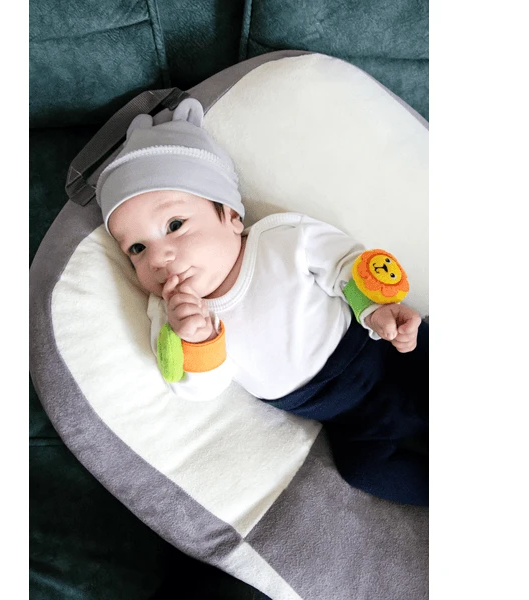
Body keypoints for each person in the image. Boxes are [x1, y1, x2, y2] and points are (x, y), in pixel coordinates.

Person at [96, 98, 428, 506]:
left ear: (231, 216)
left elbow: (344, 264)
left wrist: (375, 310)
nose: (158, 257)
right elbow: (195, 388)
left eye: (175, 225)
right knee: (362, 470)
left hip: (382, 351)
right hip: (341, 414)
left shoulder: (279, 240)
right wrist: (197, 342)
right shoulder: (168, 317)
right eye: (137, 248)